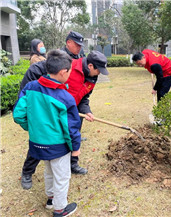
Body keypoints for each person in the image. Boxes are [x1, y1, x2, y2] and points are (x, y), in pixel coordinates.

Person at [19, 51, 109, 189]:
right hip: (52, 111)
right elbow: (38, 69)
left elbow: (84, 98)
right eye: (99, 70)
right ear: (90, 66)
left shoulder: (92, 78)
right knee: (41, 140)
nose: (99, 74)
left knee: (73, 138)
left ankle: (72, 164)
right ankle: (27, 172)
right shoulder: (69, 65)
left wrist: (87, 111)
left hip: (72, 112)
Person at [13, 50, 80, 216]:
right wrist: (76, 148)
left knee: (49, 171)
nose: (70, 74)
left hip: (37, 143)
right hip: (58, 146)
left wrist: (33, 128)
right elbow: (71, 129)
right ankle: (60, 209)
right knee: (62, 176)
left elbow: (18, 114)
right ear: (63, 72)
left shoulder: (30, 87)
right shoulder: (65, 98)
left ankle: (51, 199)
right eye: (70, 71)